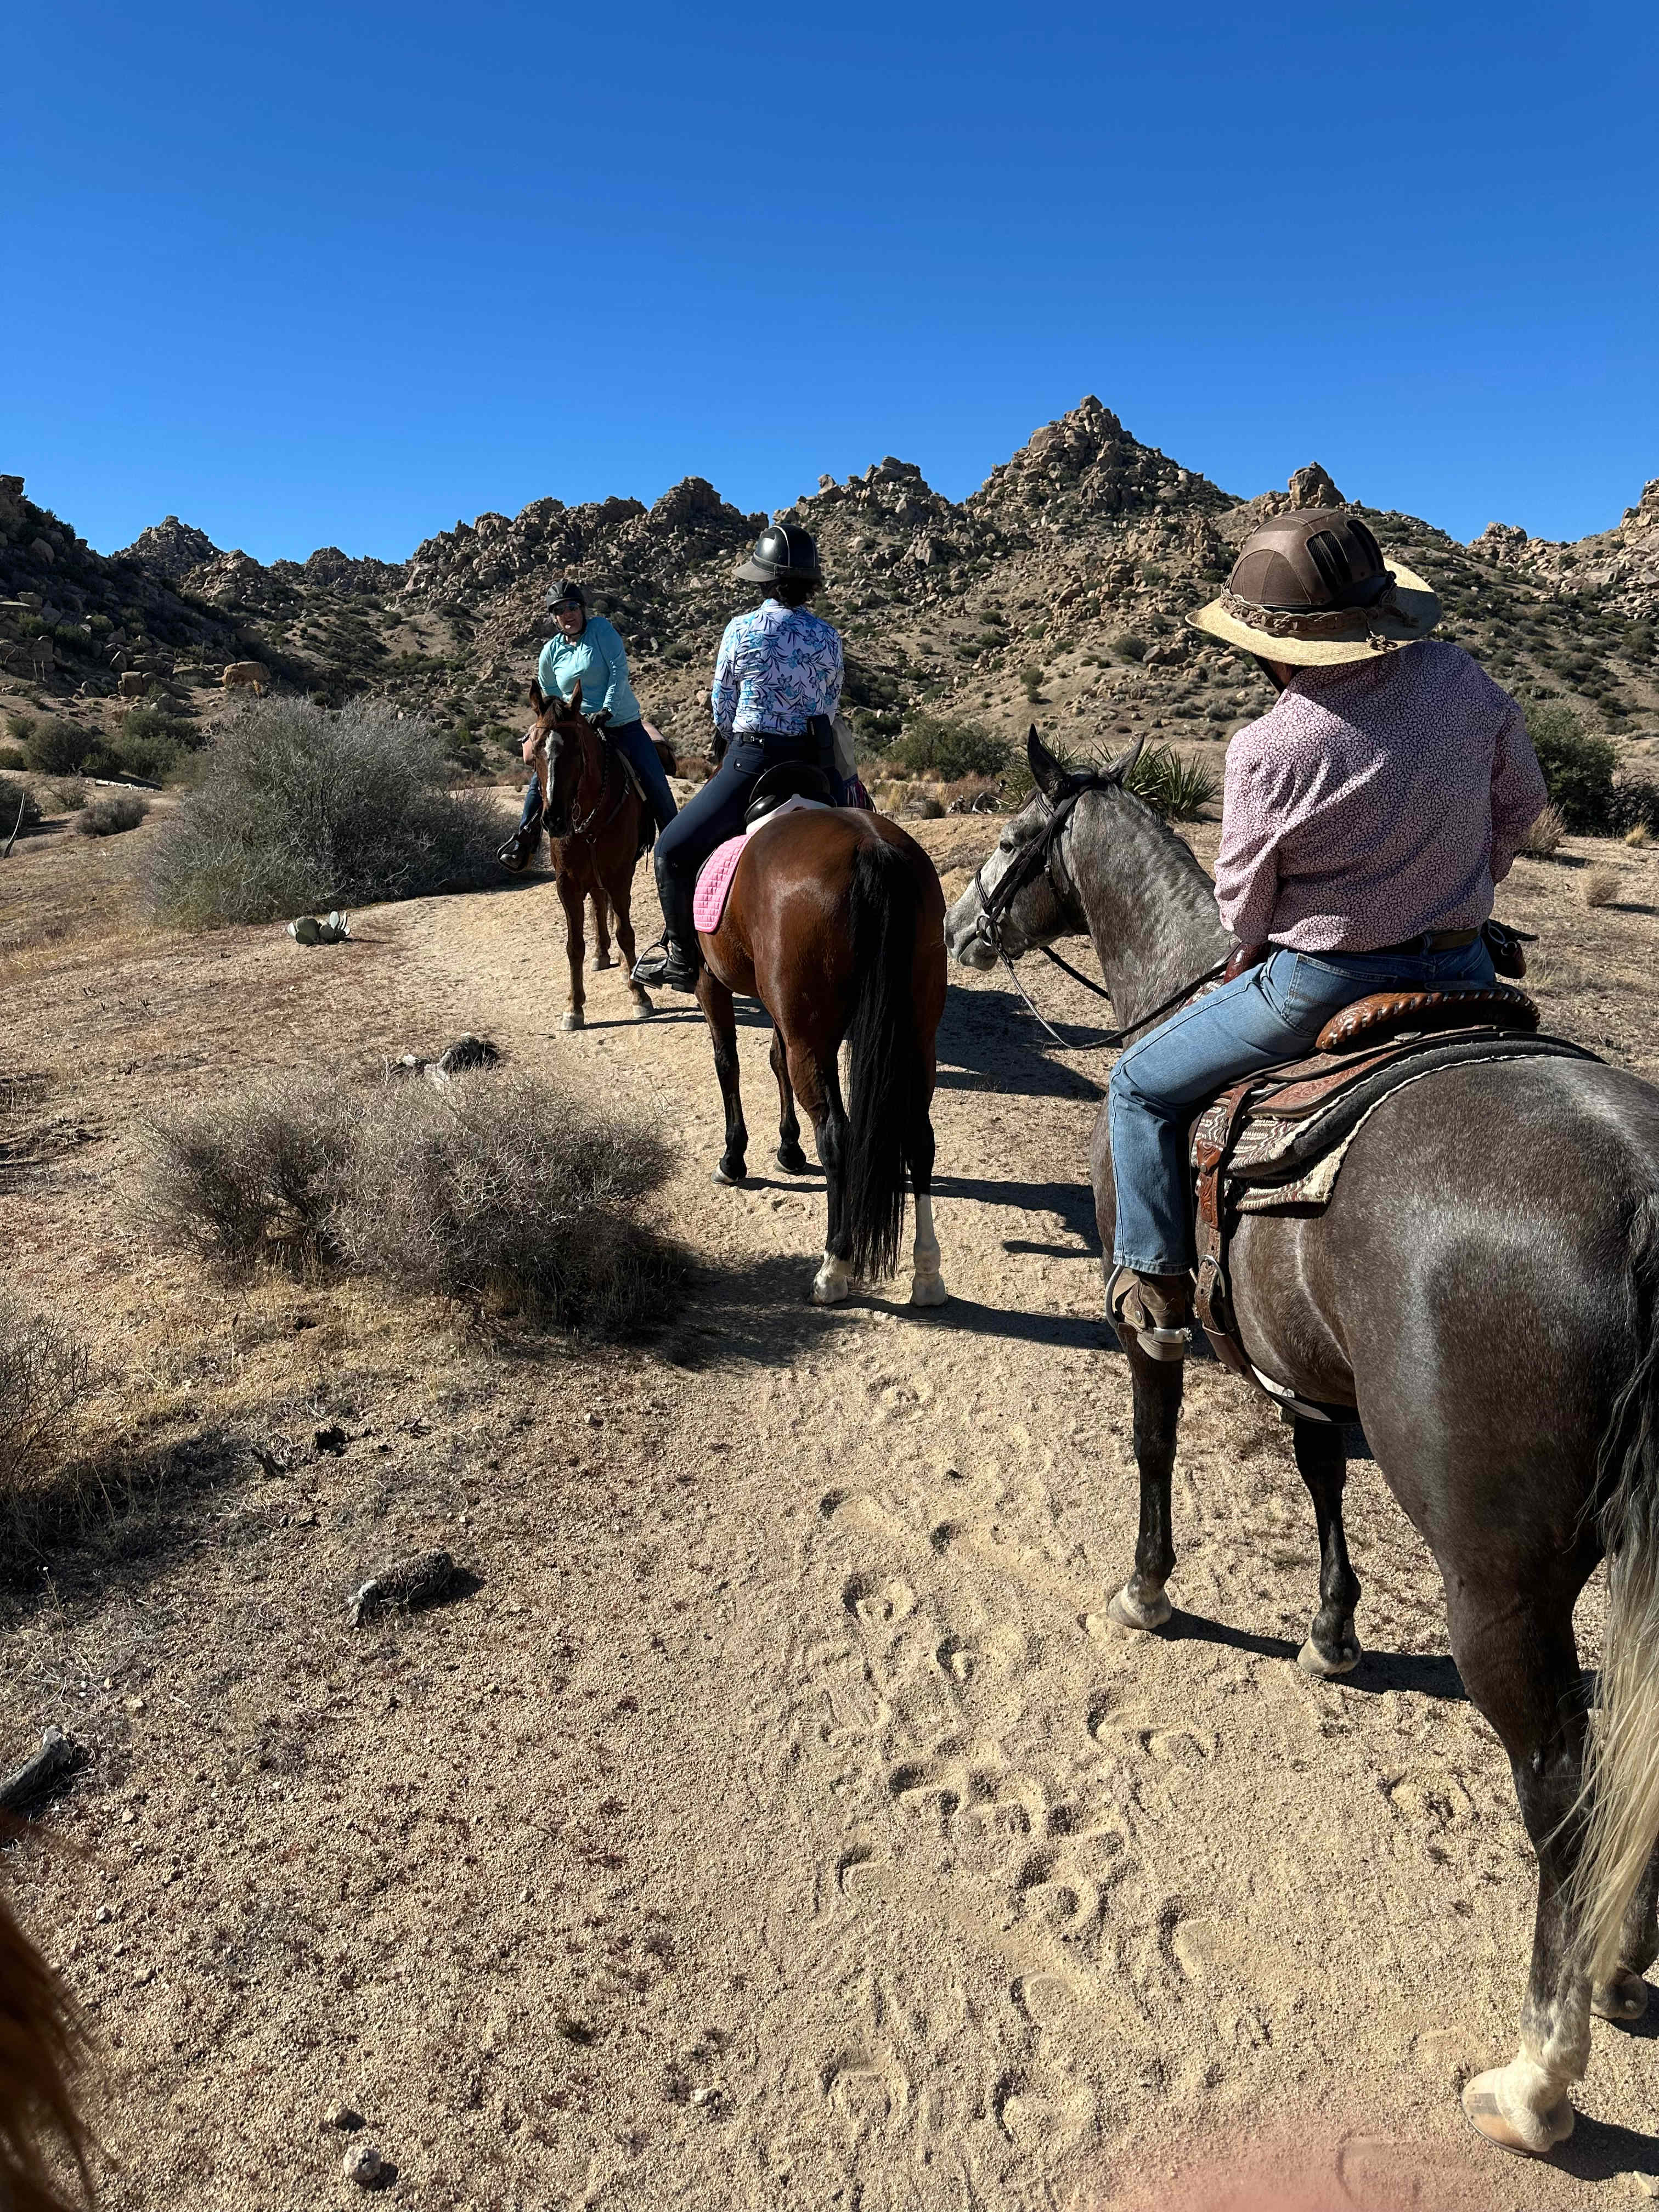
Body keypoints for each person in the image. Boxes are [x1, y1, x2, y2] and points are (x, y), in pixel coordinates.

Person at [1106, 506, 1548, 1358]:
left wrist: (1247, 945)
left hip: (1326, 982)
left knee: (1138, 1085)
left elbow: (1241, 905)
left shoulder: (1271, 746)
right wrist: (1464, 885)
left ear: (1272, 643)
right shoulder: (1462, 678)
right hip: (1462, 966)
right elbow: (1524, 803)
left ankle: (1153, 1280)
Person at [633, 523, 844, 991]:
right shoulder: (829, 637)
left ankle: (683, 958)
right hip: (815, 765)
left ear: (764, 581)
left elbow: (723, 708)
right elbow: (831, 703)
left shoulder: (742, 629)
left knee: (670, 850)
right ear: (809, 583)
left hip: (752, 763)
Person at [506, 582, 676, 862]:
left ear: (582, 609)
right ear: (554, 617)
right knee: (543, 778)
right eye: (560, 610)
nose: (567, 614)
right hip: (576, 727)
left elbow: (618, 672)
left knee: (654, 779)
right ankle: (524, 841)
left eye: (572, 607)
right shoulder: (550, 651)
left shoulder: (602, 631)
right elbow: (549, 695)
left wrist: (607, 709)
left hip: (620, 722)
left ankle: (675, 843)